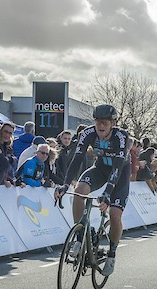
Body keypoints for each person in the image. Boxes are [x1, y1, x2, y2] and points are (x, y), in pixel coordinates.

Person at [54, 104, 131, 277]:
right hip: (100, 169)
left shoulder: (121, 136)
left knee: (115, 215)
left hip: (119, 174)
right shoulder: (88, 133)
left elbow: (118, 168)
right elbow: (77, 159)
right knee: (80, 190)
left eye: (105, 122)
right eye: (98, 122)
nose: (101, 126)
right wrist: (65, 184)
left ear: (113, 123)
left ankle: (112, 252)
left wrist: (107, 193)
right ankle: (80, 237)